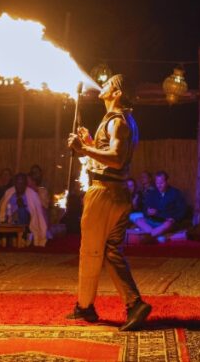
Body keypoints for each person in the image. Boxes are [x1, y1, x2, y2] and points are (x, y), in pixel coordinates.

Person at [66, 74, 151, 331]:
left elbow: (116, 158)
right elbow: (111, 155)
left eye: (108, 83)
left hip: (104, 194)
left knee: (90, 251)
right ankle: (133, 304)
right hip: (117, 193)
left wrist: (83, 149)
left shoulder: (119, 122)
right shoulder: (119, 121)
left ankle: (86, 306)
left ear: (116, 93)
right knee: (111, 251)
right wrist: (91, 144)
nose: (102, 85)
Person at [131, 171, 187, 242]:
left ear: (167, 181)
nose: (159, 185)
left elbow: (182, 210)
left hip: (165, 221)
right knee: (138, 220)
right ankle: (156, 236)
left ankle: (149, 237)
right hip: (153, 220)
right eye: (157, 183)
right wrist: (147, 212)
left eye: (161, 183)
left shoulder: (175, 193)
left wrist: (174, 218)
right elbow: (145, 208)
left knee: (168, 224)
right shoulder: (152, 193)